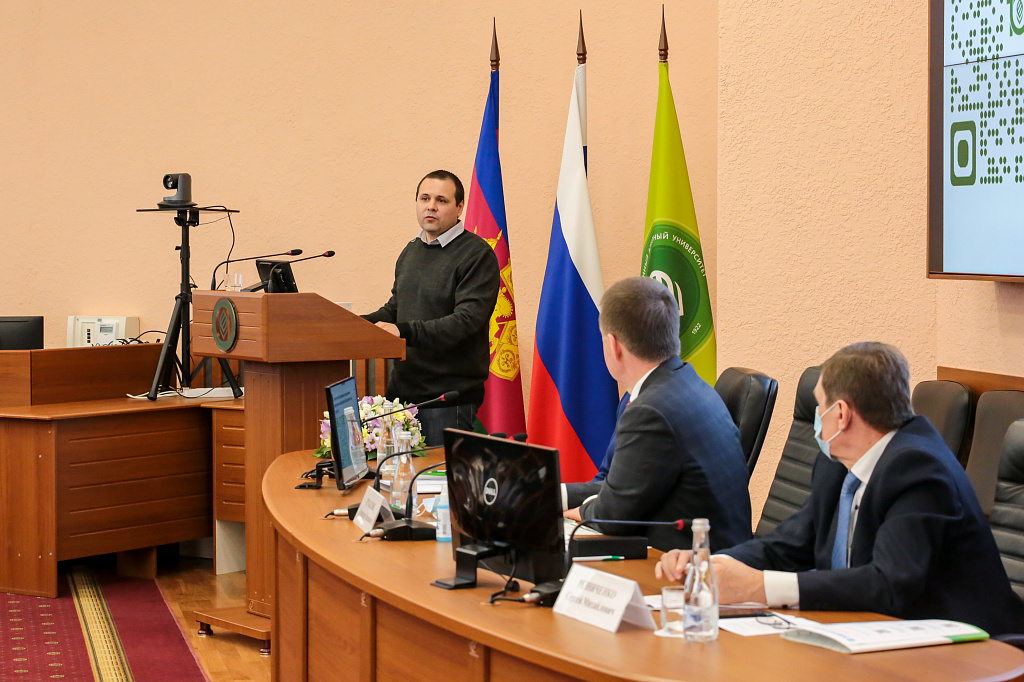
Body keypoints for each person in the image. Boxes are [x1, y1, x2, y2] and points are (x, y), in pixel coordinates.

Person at [656, 342, 1024, 636]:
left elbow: (889, 583)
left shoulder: (919, 471)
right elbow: (789, 545)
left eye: (820, 406)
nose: (817, 418)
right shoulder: (838, 463)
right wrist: (713, 564)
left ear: (842, 414)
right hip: (870, 634)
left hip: (966, 651)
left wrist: (760, 587)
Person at [562, 277, 752, 552]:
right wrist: (556, 495)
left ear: (613, 345)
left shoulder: (650, 410)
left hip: (687, 566)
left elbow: (613, 516)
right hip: (712, 555)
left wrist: (580, 512)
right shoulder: (685, 384)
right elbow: (620, 486)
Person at [362, 170, 499, 446]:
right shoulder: (411, 250)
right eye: (424, 198)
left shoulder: (477, 255)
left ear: (460, 207)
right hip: (401, 399)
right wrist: (352, 324)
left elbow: (465, 322)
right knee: (396, 473)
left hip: (446, 402)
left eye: (441, 200)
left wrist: (403, 331)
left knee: (438, 475)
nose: (431, 206)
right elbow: (396, 308)